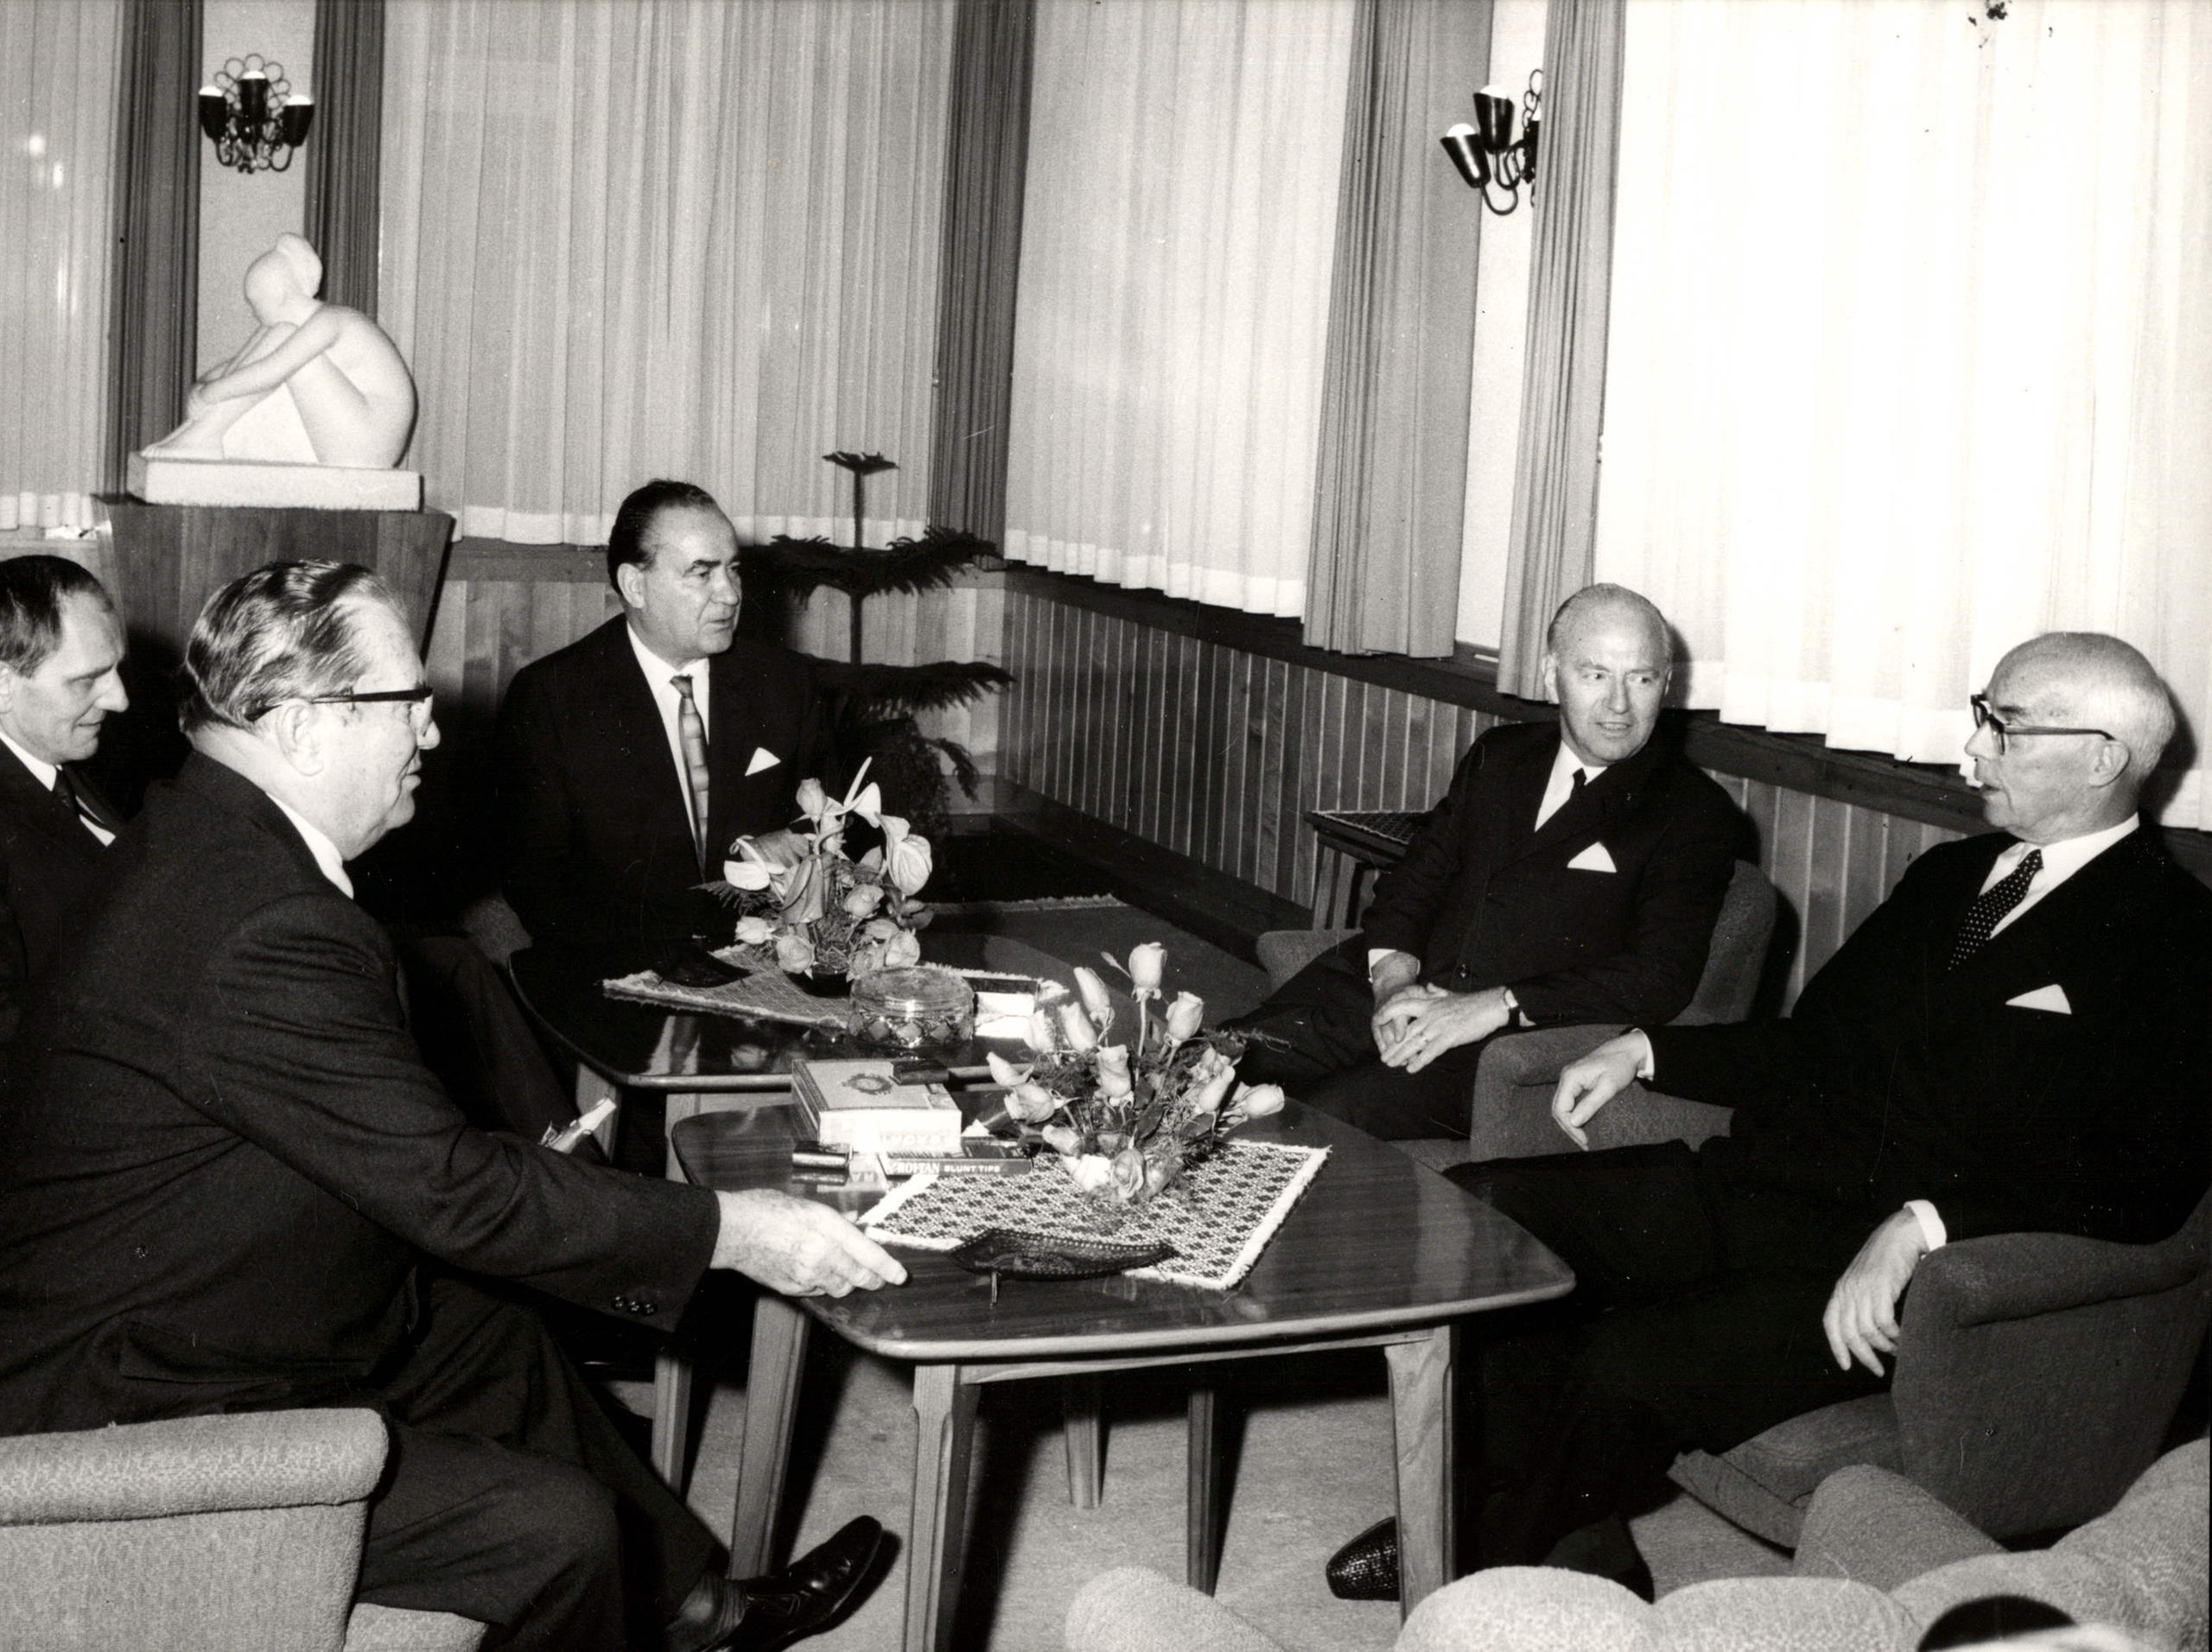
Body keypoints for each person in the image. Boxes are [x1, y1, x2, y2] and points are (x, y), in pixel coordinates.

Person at [0, 561, 906, 1652]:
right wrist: (731, 1230)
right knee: (558, 1535)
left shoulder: (206, 828)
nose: (430, 732)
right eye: (407, 704)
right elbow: (453, 1191)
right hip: (129, 1397)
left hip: (185, 1296)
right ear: (301, 726)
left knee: (493, 1336)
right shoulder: (260, 923)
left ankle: (695, 1613)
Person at [1331, 632, 2212, 1598]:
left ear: (2100, 758)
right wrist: (1647, 1048)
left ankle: (1458, 1557)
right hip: (1767, 1186)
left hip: (1903, 1262)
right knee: (1487, 1211)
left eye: (2001, 729)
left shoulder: (2175, 936)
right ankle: (1571, 1536)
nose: (1972, 755)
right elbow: (1813, 1043)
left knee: (1630, 1357)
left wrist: (1925, 1227)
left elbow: (2145, 1180)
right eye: (1980, 718)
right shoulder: (1951, 878)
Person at [1234, 584, 1744, 1140]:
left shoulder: (1693, 812)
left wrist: (1494, 1006)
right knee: (1207, 1067)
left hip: (1497, 1045)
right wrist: (1393, 979)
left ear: (1666, 685)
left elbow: (1657, 977)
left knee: (1311, 1125)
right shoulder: (1501, 756)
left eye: (1641, 679)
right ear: (1552, 675)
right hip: (1390, 997)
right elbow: (1417, 877)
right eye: (1595, 674)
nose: (1619, 704)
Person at [494, 479, 835, 953]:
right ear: (636, 585)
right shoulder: (552, 698)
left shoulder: (786, 686)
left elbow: (827, 832)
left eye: (733, 570)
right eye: (702, 573)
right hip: (616, 973)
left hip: (763, 961)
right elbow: (537, 883)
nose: (731, 594)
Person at [143, 232, 417, 467]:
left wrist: (213, 392)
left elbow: (270, 371)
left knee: (283, 339)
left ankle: (205, 435)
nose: (252, 312)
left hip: (368, 442)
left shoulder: (331, 320)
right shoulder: (298, 324)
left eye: (254, 302)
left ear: (283, 295)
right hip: (353, 432)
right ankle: (197, 434)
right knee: (278, 336)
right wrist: (203, 386)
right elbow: (240, 364)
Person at [0, 555, 128, 1043]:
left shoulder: (70, 761)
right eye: (86, 680)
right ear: (4, 686)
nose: (120, 699)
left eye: (116, 669)